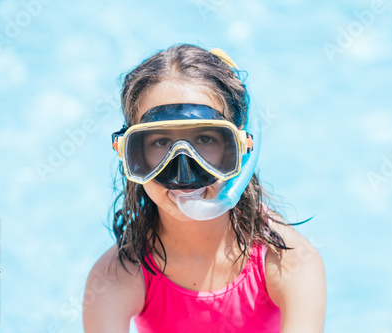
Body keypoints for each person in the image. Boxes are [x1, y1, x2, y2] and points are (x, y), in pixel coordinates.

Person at [83, 44, 326, 333]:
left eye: (206, 139)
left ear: (242, 150)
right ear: (129, 154)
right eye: (160, 143)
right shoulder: (116, 279)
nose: (184, 173)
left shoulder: (289, 261)